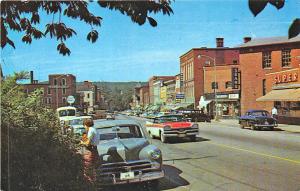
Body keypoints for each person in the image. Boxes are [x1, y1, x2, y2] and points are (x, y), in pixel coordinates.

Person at [80, 118, 99, 182]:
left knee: (87, 168)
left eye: (84, 126)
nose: (85, 128)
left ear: (86, 125)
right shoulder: (95, 129)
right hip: (95, 149)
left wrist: (82, 142)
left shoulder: (90, 130)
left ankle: (89, 184)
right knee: (93, 168)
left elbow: (87, 143)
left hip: (90, 150)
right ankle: (94, 183)